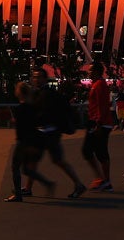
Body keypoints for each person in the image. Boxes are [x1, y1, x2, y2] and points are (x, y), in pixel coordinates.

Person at [32, 67, 87, 198]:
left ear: (45, 79)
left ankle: (79, 184)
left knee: (57, 161)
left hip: (49, 133)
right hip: (45, 132)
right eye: (34, 77)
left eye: (38, 77)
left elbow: (46, 113)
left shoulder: (47, 94)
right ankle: (28, 187)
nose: (36, 79)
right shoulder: (40, 93)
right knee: (34, 160)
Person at [5, 81, 55, 201]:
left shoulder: (21, 108)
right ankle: (46, 183)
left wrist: (14, 121)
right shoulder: (32, 107)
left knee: (15, 167)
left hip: (23, 141)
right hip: (32, 141)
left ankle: (18, 194)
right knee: (26, 169)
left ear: (19, 93)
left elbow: (22, 127)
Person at [83, 62, 115, 191]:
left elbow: (102, 106)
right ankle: (103, 180)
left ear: (96, 71)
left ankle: (104, 180)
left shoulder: (99, 85)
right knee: (96, 151)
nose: (88, 72)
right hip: (97, 121)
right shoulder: (96, 84)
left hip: (99, 123)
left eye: (90, 70)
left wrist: (99, 124)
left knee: (96, 151)